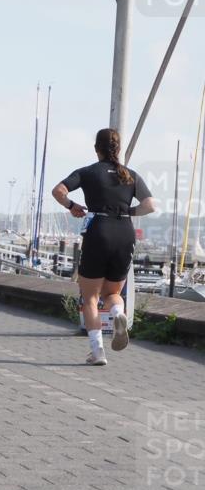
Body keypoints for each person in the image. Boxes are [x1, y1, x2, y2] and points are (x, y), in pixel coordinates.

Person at [51, 128, 156, 366]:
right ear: (118, 149)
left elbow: (58, 191)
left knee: (90, 297)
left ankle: (97, 352)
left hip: (99, 230)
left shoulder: (88, 172)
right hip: (125, 232)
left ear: (96, 148)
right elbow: (150, 205)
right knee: (112, 294)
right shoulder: (129, 175)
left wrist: (71, 205)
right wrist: (128, 211)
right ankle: (118, 315)